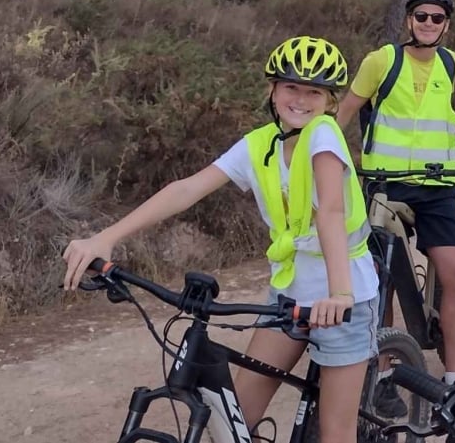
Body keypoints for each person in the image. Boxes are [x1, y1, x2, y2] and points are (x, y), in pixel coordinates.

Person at [62, 36, 376, 443]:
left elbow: (331, 212)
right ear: (272, 90)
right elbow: (187, 190)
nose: (300, 99)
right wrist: (106, 238)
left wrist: (340, 294)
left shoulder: (324, 136)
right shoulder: (260, 145)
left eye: (313, 91)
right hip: (289, 296)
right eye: (290, 87)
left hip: (343, 298)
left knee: (336, 433)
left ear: (330, 101)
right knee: (234, 422)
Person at [336, 0, 455, 389]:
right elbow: (345, 111)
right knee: (382, 279)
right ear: (408, 20)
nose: (428, 23)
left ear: (446, 26)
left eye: (437, 18)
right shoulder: (382, 61)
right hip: (386, 188)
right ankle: (383, 372)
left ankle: (454, 377)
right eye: (421, 16)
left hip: (436, 187)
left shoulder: (451, 64)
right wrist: (321, 160)